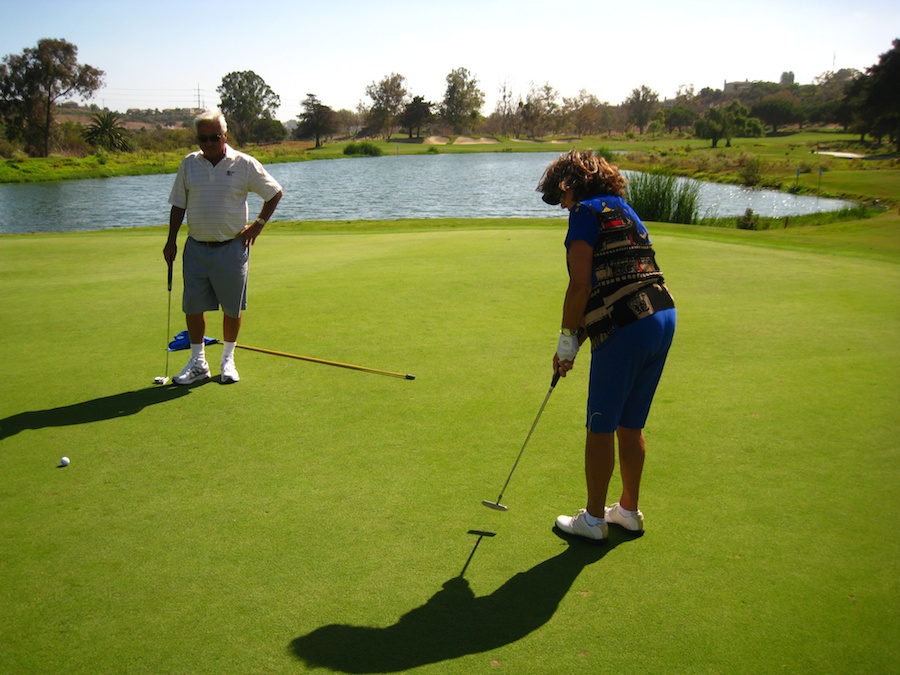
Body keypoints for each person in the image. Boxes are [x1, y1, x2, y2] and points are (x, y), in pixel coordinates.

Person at [536, 149, 676, 542]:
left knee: (601, 424)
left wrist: (565, 340)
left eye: (560, 197)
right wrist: (574, 344)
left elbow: (580, 286)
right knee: (630, 424)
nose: (563, 206)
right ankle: (628, 511)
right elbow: (610, 285)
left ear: (570, 186)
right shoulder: (624, 210)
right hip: (661, 315)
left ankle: (594, 520)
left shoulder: (584, 213)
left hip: (628, 326)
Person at [163, 110, 283, 385]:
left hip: (231, 247)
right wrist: (170, 241)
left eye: (214, 138)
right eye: (203, 138)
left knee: (232, 308)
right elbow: (178, 204)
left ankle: (227, 360)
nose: (208, 143)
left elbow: (274, 192)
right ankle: (198, 363)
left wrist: (258, 225)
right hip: (196, 247)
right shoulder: (189, 164)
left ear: (225, 135)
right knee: (192, 307)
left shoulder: (244, 163)